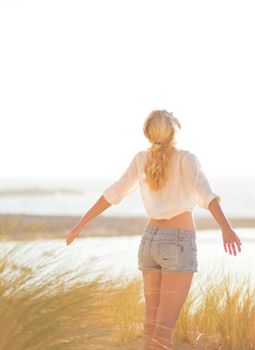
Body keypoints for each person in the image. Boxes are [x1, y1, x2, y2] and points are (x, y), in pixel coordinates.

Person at [64, 109, 242, 350]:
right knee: (165, 326)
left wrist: (80, 224)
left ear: (148, 133)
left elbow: (113, 193)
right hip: (177, 243)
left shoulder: (141, 159)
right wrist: (226, 228)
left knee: (151, 322)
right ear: (174, 129)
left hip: (149, 242)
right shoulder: (186, 158)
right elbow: (206, 195)